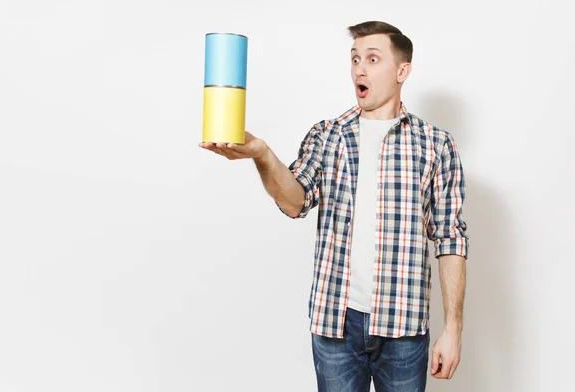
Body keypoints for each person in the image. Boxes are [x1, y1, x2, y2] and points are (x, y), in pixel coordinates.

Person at [199, 20, 469, 392]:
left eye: (373, 59)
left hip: (404, 328)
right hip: (335, 327)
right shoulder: (327, 135)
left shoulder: (436, 145)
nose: (360, 68)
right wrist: (262, 154)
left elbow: (450, 238)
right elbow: (295, 201)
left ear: (402, 71)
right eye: (355, 58)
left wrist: (453, 328)